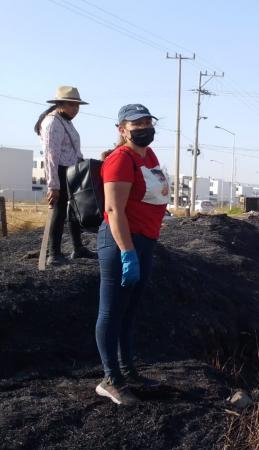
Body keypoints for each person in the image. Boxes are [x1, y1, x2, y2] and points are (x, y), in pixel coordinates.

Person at [94, 104, 169, 405]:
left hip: (145, 240)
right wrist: (128, 252)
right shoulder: (119, 160)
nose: (144, 127)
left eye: (148, 121)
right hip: (120, 242)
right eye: (136, 123)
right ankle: (110, 379)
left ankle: (127, 370)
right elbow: (114, 210)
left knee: (130, 311)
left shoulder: (148, 156)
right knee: (111, 312)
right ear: (122, 129)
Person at [34, 86, 95, 265]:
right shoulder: (52, 123)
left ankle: (78, 248)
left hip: (71, 171)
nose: (75, 109)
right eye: (71, 105)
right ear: (60, 104)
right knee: (59, 212)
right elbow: (50, 155)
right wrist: (53, 185)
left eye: (77, 105)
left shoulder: (65, 120)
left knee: (74, 210)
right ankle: (54, 253)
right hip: (60, 171)